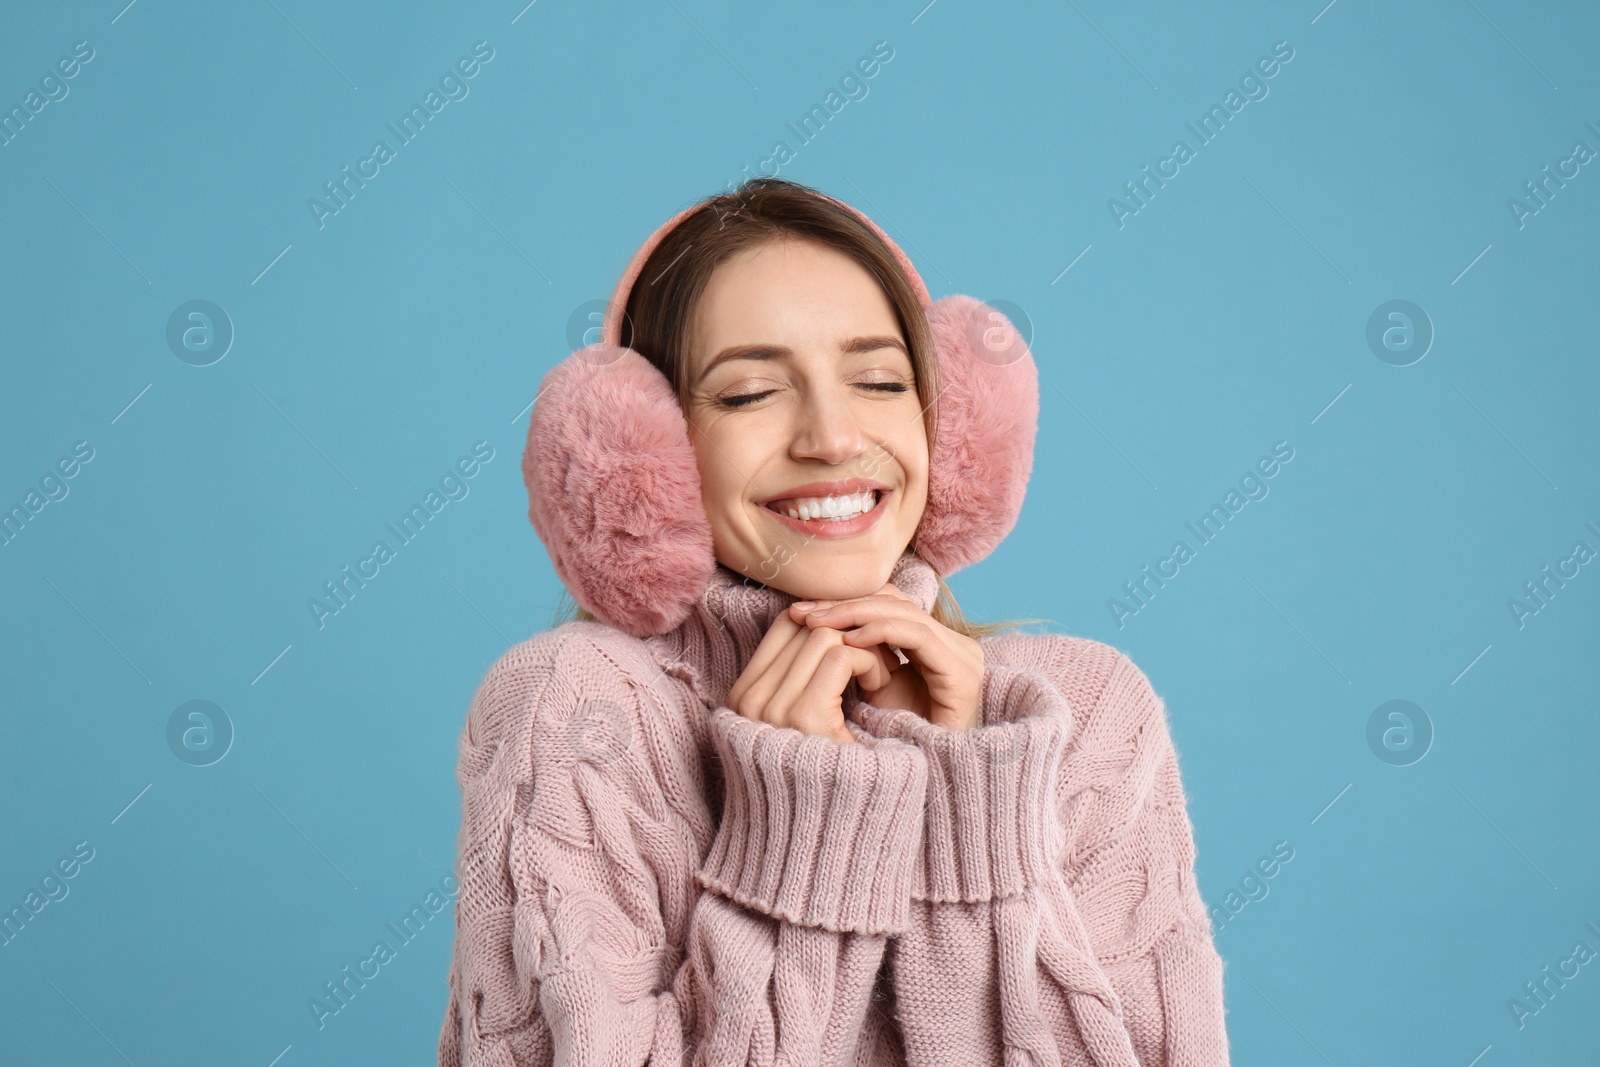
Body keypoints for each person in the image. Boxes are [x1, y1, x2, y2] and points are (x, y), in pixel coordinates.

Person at [438, 177, 1231, 1065]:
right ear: (644, 457)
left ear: (951, 424)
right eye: (747, 394)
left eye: (880, 380)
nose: (832, 436)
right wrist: (796, 831)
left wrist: (976, 814)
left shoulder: (1088, 716)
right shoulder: (576, 713)